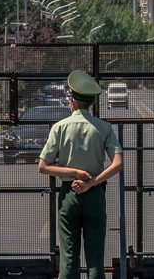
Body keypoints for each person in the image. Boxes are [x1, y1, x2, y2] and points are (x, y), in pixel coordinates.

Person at [39, 71, 124, 279]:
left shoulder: (59, 128)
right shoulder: (104, 128)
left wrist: (73, 172)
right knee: (95, 259)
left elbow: (43, 166)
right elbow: (118, 164)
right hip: (95, 194)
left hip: (69, 194)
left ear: (72, 102)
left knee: (68, 258)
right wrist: (91, 182)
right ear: (92, 103)